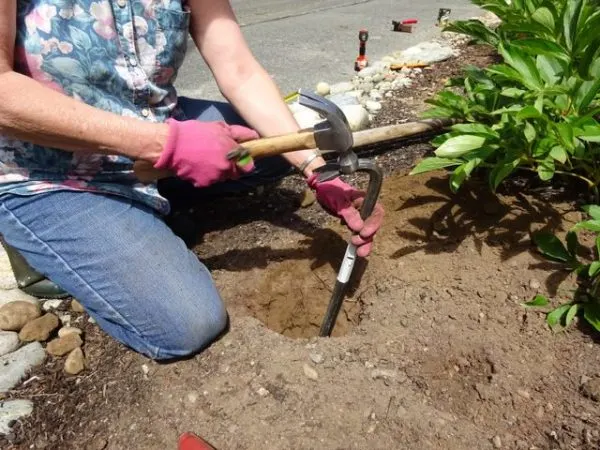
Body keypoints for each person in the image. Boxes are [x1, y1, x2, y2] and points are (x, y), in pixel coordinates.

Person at [0, 0, 384, 360]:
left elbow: (237, 67)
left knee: (272, 150)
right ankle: (41, 238)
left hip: (154, 126)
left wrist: (314, 167)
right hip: (48, 168)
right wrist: (166, 144)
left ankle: (154, 200)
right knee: (186, 323)